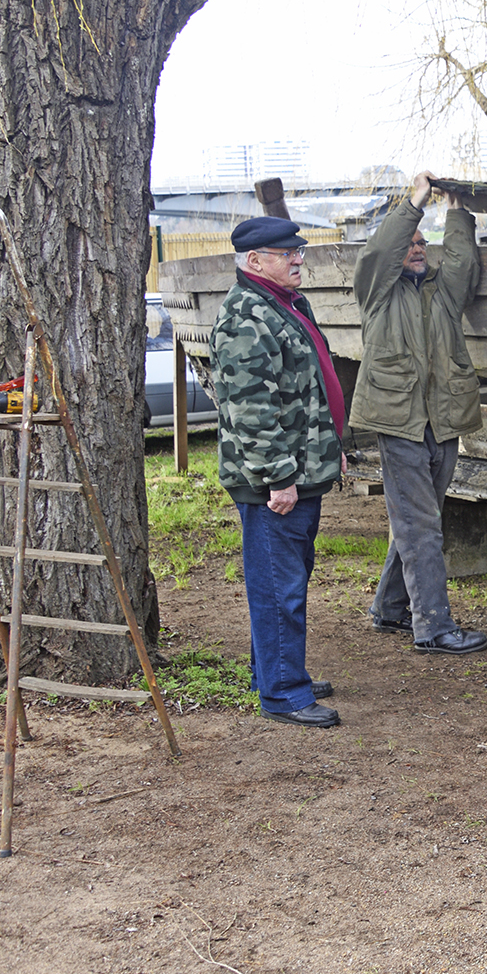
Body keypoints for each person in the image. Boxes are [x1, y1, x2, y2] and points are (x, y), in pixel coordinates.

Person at [211, 217, 347, 727]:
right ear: (254, 262)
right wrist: (278, 478)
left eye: (298, 251)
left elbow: (312, 390)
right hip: (274, 481)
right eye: (285, 253)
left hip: (300, 469)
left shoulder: (285, 306)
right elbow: (252, 412)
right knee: (278, 588)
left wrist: (333, 449)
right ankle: (284, 693)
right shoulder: (247, 317)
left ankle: (274, 670)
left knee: (285, 580)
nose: (297, 259)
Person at [351, 171, 487, 655]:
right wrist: (415, 203)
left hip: (443, 420)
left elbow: (462, 262)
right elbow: (377, 254)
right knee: (422, 525)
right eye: (408, 242)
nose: (415, 247)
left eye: (421, 241)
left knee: (418, 520)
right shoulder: (377, 293)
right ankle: (433, 626)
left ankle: (391, 608)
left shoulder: (441, 293)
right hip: (399, 423)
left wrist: (454, 211)